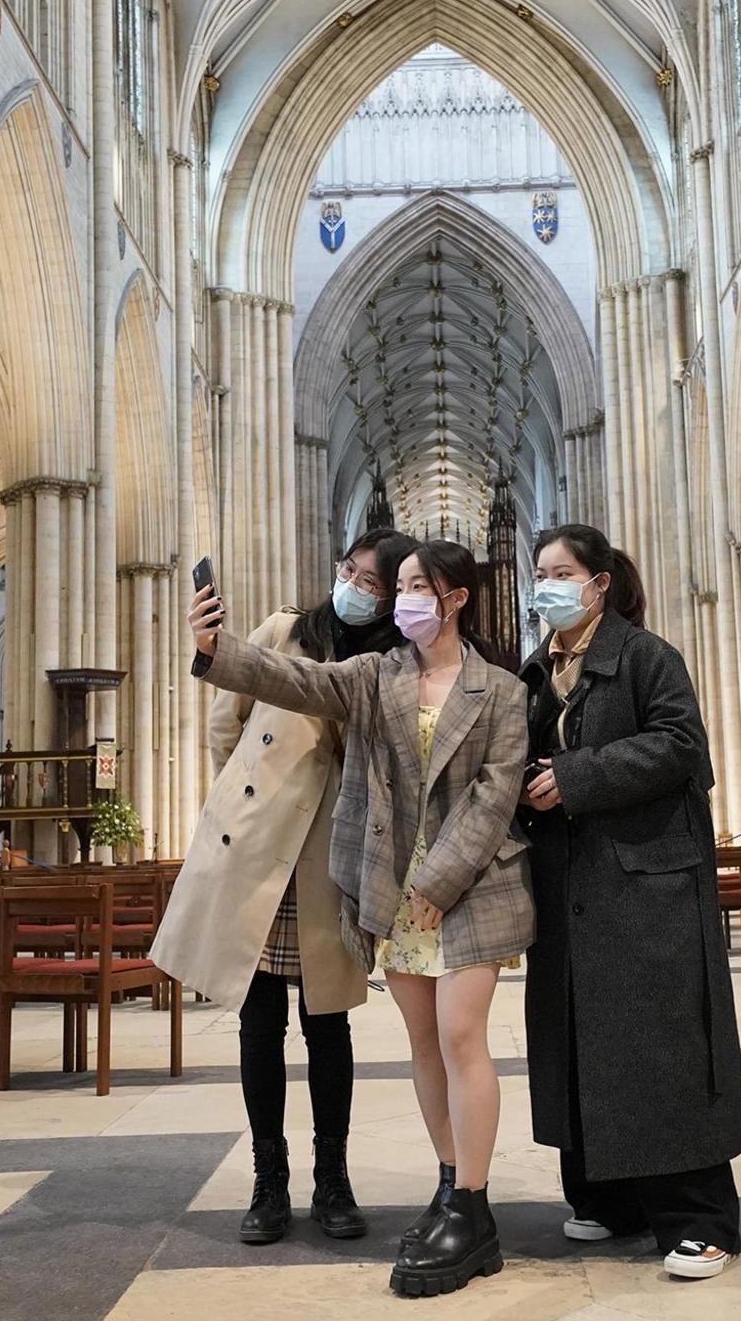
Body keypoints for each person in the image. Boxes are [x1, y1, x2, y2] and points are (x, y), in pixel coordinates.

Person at [189, 540, 533, 1298]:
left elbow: (495, 796)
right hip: (396, 893)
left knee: (463, 1039)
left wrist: (440, 880)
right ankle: (450, 1189)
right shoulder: (379, 676)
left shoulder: (502, 689)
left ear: (456, 598)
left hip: (467, 887)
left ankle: (472, 1205)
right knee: (423, 1046)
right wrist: (218, 651)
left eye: (417, 585)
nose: (403, 596)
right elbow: (295, 678)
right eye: (398, 584)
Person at [153, 528, 417, 1247]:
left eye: (374, 581)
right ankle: (269, 1180)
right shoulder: (282, 629)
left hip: (327, 853)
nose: (357, 586)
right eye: (351, 571)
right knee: (258, 1022)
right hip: (259, 846)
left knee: (327, 1023)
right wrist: (238, 799)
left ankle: (333, 1177)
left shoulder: (394, 662)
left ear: (395, 596)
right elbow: (224, 721)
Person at [517, 524, 741, 1280]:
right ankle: (610, 1201)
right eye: (539, 572)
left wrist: (578, 776)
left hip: (648, 882)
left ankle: (700, 1220)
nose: (547, 583)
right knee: (583, 1041)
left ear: (600, 582)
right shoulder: (534, 672)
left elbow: (683, 745)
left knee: (664, 1044)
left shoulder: (648, 656)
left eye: (561, 572)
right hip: (569, 889)